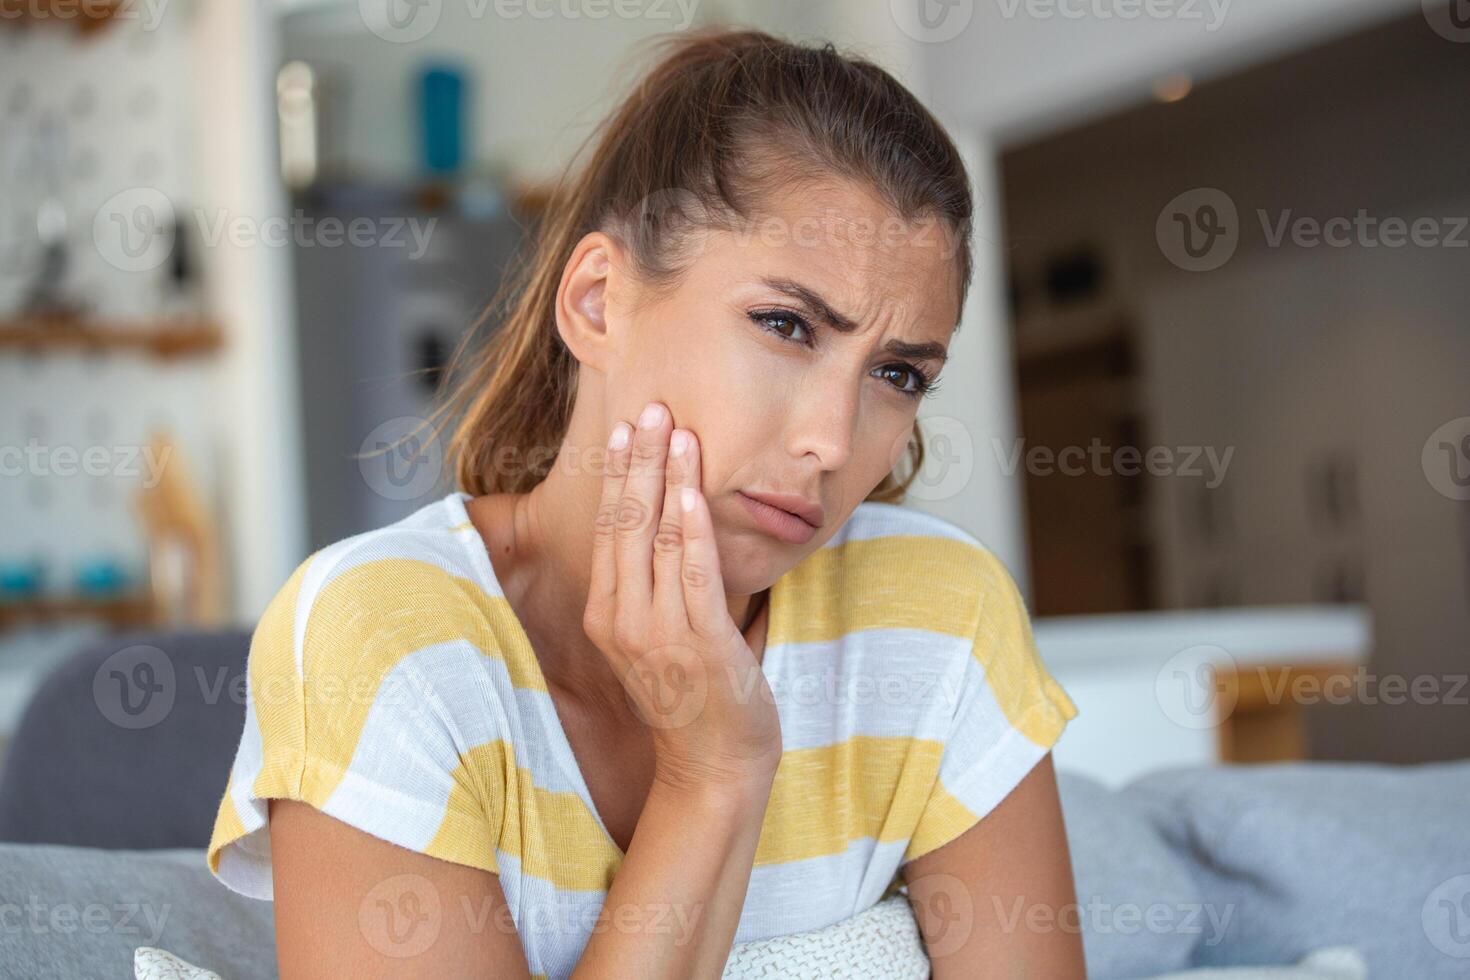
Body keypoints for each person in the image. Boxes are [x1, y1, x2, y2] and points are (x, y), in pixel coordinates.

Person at [206, 27, 1083, 979]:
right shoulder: (379, 641)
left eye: (899, 374)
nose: (832, 441)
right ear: (596, 303)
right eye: (785, 325)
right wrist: (714, 776)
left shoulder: (941, 619)